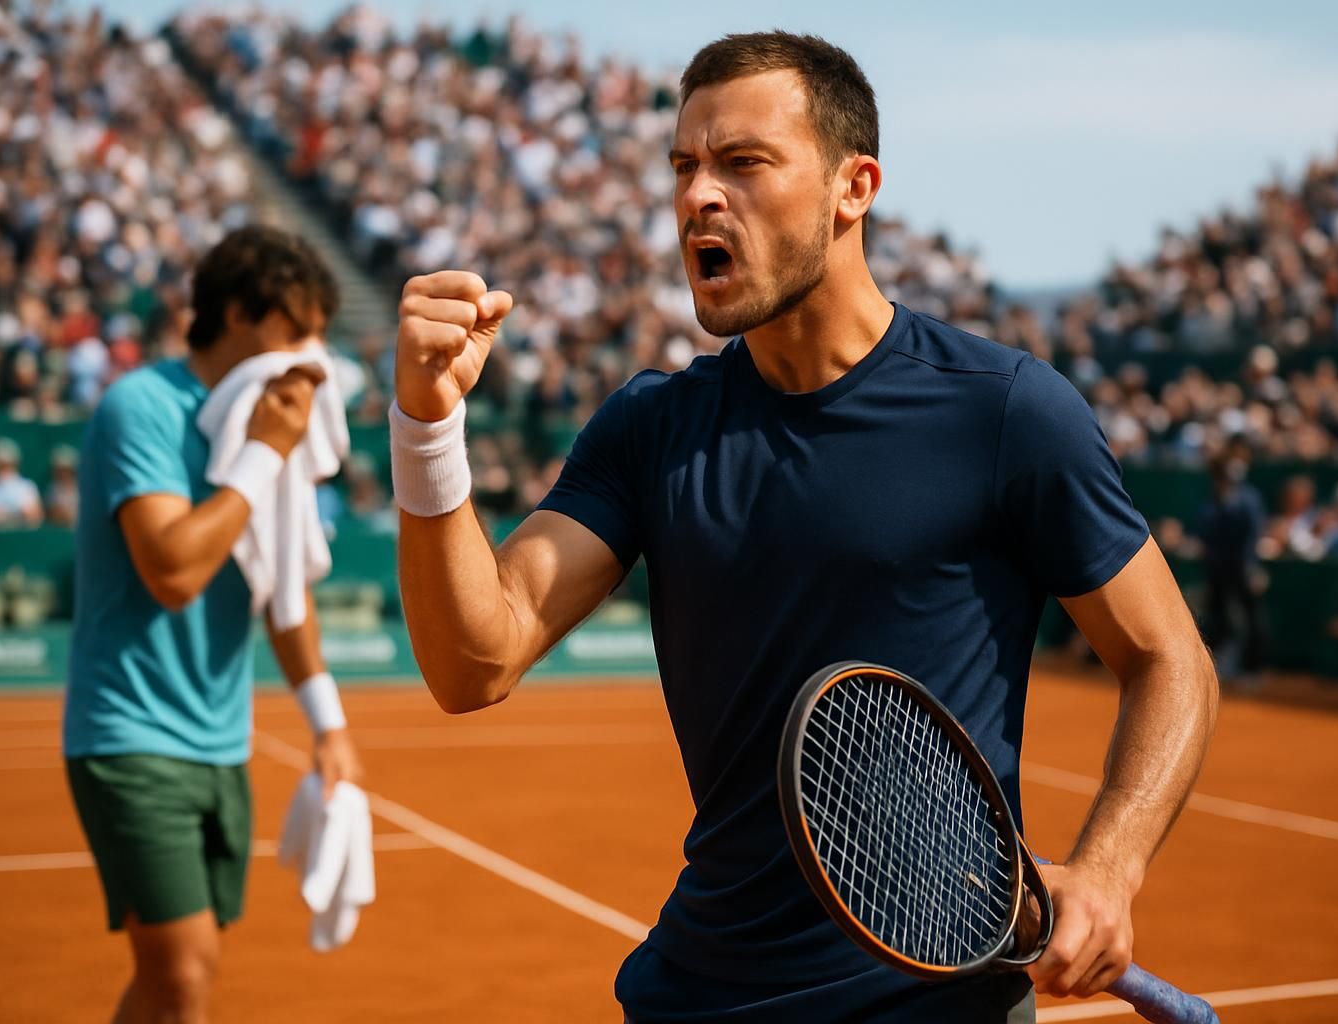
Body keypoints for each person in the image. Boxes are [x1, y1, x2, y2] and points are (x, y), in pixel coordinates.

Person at [391, 32, 1217, 1023]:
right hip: (697, 996)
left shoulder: (1004, 411)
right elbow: (473, 661)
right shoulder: (650, 429)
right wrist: (427, 427)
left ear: (852, 187)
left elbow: (1171, 658)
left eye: (743, 163)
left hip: (934, 1007)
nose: (699, 195)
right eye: (685, 167)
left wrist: (1111, 866)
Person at [62, 225, 364, 1024]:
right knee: (186, 974)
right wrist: (265, 452)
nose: (312, 355)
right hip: (128, 736)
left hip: (220, 747)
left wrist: (327, 723)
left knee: (176, 980)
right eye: (296, 328)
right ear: (237, 313)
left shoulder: (269, 423)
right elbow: (173, 571)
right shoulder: (143, 407)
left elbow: (283, 588)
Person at [1195, 451, 1267, 685]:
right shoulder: (1214, 500)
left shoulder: (1249, 499)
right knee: (1219, 618)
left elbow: (1252, 535)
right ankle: (1217, 667)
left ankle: (1253, 670)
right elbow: (1207, 531)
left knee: (1252, 619)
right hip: (1219, 570)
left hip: (1242, 569)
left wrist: (1252, 567)